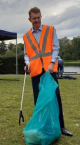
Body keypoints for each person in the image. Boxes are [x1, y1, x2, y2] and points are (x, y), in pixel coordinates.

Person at [23, 7, 72, 136]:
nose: (37, 20)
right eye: (34, 18)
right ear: (30, 19)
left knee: (55, 97)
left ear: (41, 17)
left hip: (50, 71)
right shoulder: (26, 36)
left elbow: (56, 47)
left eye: (39, 17)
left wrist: (51, 62)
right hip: (35, 71)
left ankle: (61, 126)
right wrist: (27, 63)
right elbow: (26, 54)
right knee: (39, 101)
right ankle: (42, 126)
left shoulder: (50, 30)